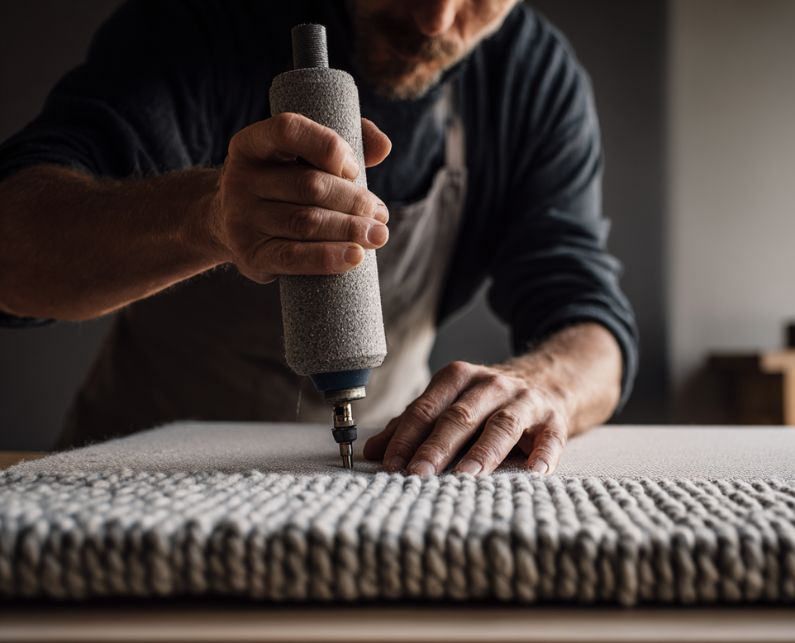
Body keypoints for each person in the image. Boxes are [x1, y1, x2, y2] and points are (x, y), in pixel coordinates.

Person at [0, 0, 637, 477]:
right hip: (138, 477)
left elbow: (592, 324)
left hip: (369, 466)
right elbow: (13, 253)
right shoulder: (201, 21)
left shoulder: (532, 80)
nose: (436, 20)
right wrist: (210, 214)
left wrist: (547, 383)